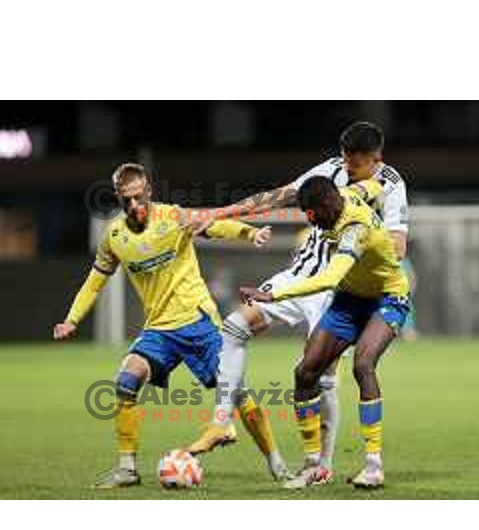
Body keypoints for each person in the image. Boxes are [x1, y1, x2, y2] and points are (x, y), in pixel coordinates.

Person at [188, 121, 409, 484]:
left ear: (376, 158)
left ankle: (323, 464)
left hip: (342, 283)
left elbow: (397, 248)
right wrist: (220, 213)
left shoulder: (391, 186)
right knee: (235, 326)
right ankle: (223, 422)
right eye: (344, 159)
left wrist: (357, 236)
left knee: (325, 372)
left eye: (355, 163)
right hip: (303, 273)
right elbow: (281, 195)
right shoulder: (333, 170)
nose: (346, 167)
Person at [53, 163, 272, 488]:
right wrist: (71, 319)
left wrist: (250, 233)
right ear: (118, 197)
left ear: (150, 192)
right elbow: (95, 282)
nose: (134, 205)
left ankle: (276, 464)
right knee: (126, 380)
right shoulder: (113, 236)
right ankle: (127, 469)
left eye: (139, 197)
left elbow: (212, 226)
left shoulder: (172, 217)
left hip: (197, 321)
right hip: (159, 329)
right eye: (126, 199)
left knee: (237, 393)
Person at [240, 176, 411, 489]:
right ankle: (313, 466)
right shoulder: (343, 193)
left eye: (311, 213)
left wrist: (274, 295)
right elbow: (375, 185)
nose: (310, 220)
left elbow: (331, 277)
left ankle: (373, 464)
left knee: (363, 364)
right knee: (305, 373)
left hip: (386, 296)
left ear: (326, 205)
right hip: (349, 300)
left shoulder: (354, 230)